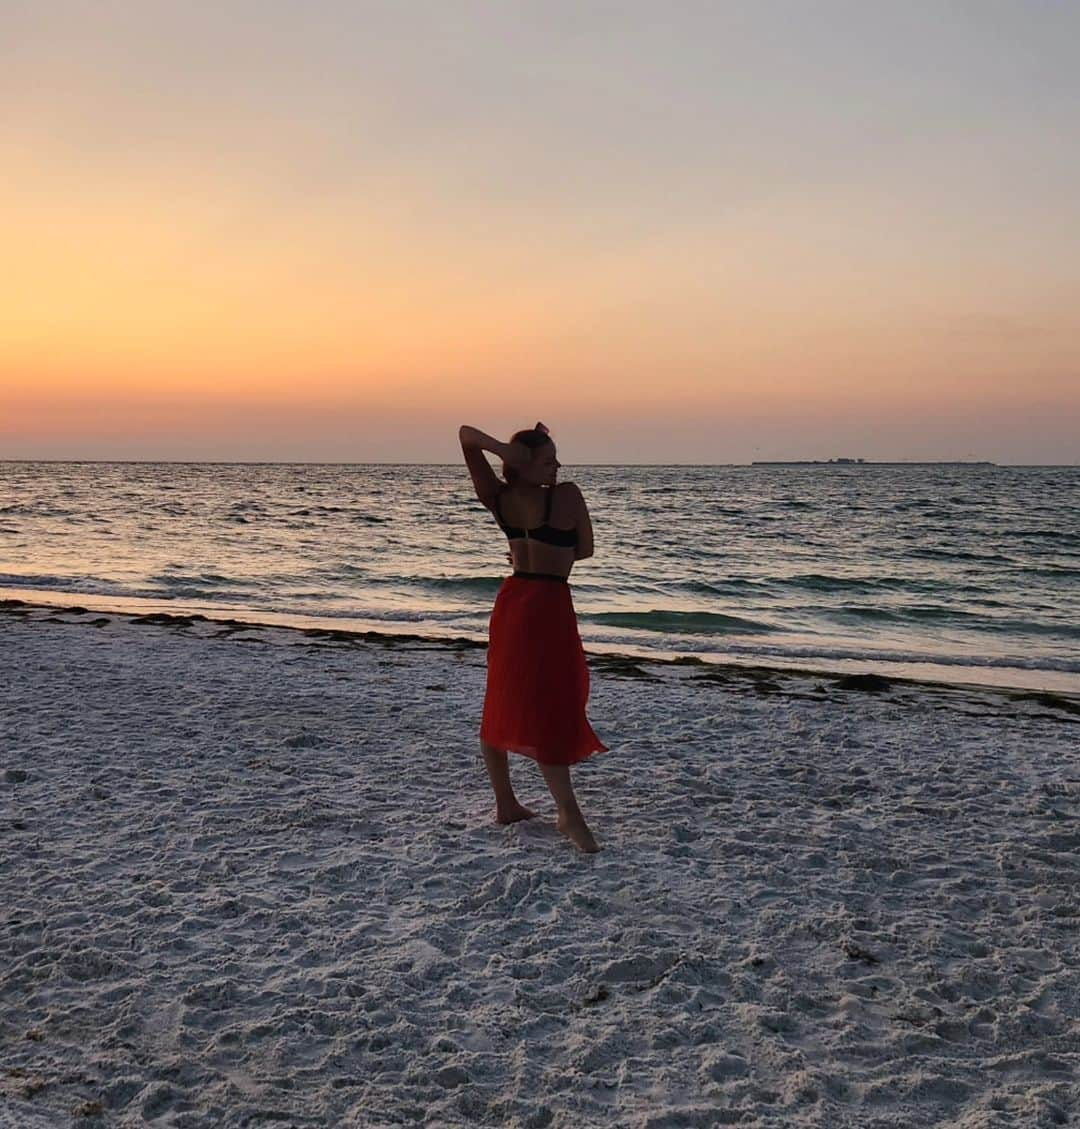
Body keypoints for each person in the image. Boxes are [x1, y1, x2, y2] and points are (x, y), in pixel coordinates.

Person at [459, 422, 607, 853]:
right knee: (550, 704)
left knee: (503, 695)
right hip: (548, 604)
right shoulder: (567, 496)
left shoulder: (499, 498)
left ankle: (506, 803)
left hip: (514, 599)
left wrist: (503, 450)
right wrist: (512, 452)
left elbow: (467, 436)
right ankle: (569, 815)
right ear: (522, 465)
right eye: (547, 460)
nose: (557, 465)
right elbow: (585, 550)